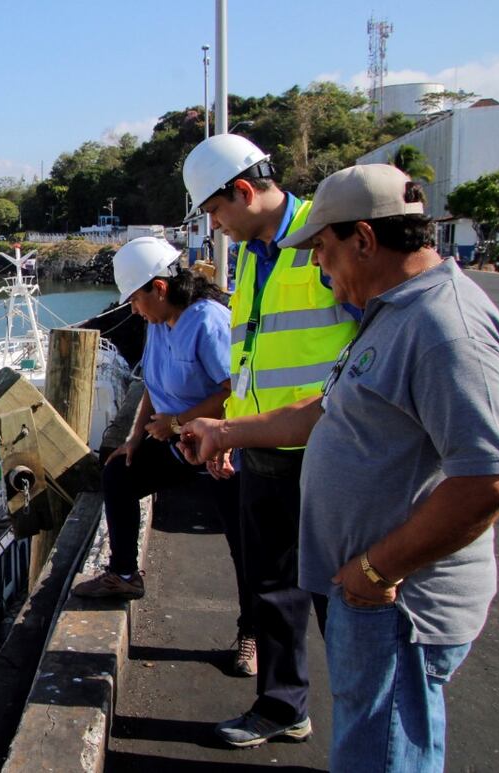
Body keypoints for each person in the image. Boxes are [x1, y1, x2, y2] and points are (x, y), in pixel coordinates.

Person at [179, 163, 499, 772]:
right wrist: (227, 430)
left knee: (381, 754)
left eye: (324, 251)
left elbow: (485, 478)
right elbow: (326, 409)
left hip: (400, 602)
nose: (320, 267)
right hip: (374, 593)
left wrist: (375, 571)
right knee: (370, 744)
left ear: (365, 240)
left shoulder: (444, 329)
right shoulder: (394, 312)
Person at [180, 134, 358, 746]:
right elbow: (250, 355)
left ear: (244, 191)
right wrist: (233, 429)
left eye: (215, 210)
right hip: (262, 447)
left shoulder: (323, 237)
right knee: (271, 586)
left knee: (344, 593)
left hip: (328, 447)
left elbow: (371, 341)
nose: (214, 224)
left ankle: (366, 728)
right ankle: (282, 706)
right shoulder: (255, 254)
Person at [72, 237, 255, 677]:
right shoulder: (158, 323)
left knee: (243, 541)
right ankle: (124, 573)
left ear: (158, 287)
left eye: (136, 299)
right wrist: (136, 438)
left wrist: (178, 423)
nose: (133, 310)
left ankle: (253, 632)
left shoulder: (208, 321)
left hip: (220, 441)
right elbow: (152, 384)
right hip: (173, 438)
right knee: (119, 473)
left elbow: (232, 390)